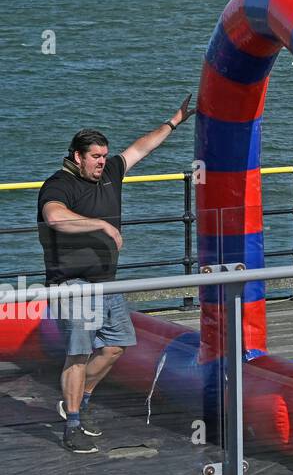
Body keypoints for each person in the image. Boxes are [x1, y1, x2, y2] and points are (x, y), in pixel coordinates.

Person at [37, 97, 195, 453]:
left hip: (106, 283)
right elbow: (55, 217)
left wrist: (174, 121)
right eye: (95, 157)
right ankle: (73, 426)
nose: (101, 162)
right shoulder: (58, 184)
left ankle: (79, 400)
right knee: (77, 354)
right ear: (77, 156)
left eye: (104, 156)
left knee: (116, 345)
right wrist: (101, 226)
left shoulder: (111, 172)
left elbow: (142, 147)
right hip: (73, 284)